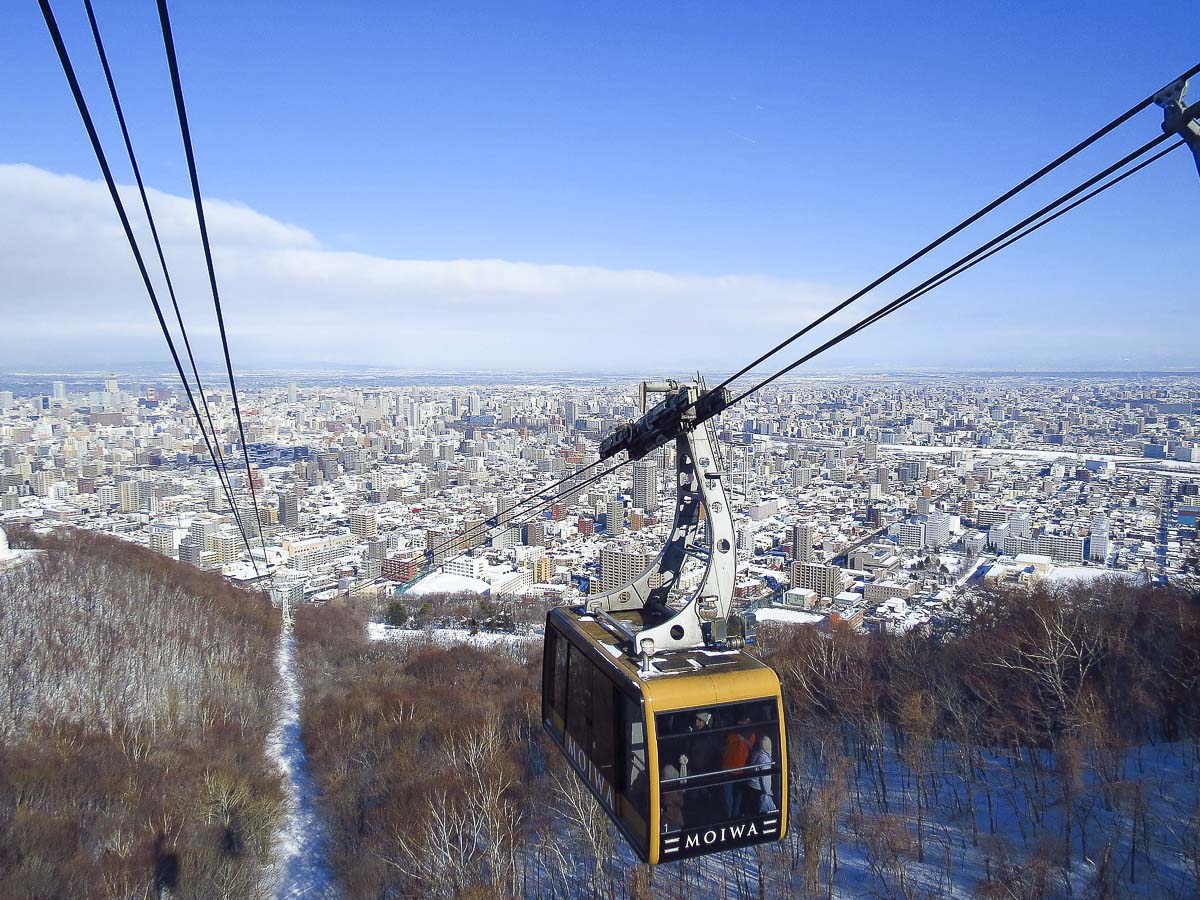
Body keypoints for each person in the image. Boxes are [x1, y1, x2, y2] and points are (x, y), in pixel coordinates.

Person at [721, 715, 757, 818]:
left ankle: (729, 818)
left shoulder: (730, 732)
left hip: (727, 768)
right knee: (738, 795)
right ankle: (735, 817)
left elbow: (723, 746)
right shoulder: (751, 735)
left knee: (728, 797)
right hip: (742, 769)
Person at [745, 734, 777, 813]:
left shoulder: (756, 753)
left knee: (749, 808)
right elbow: (765, 777)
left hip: (751, 784)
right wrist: (767, 791)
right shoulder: (765, 759)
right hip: (758, 788)